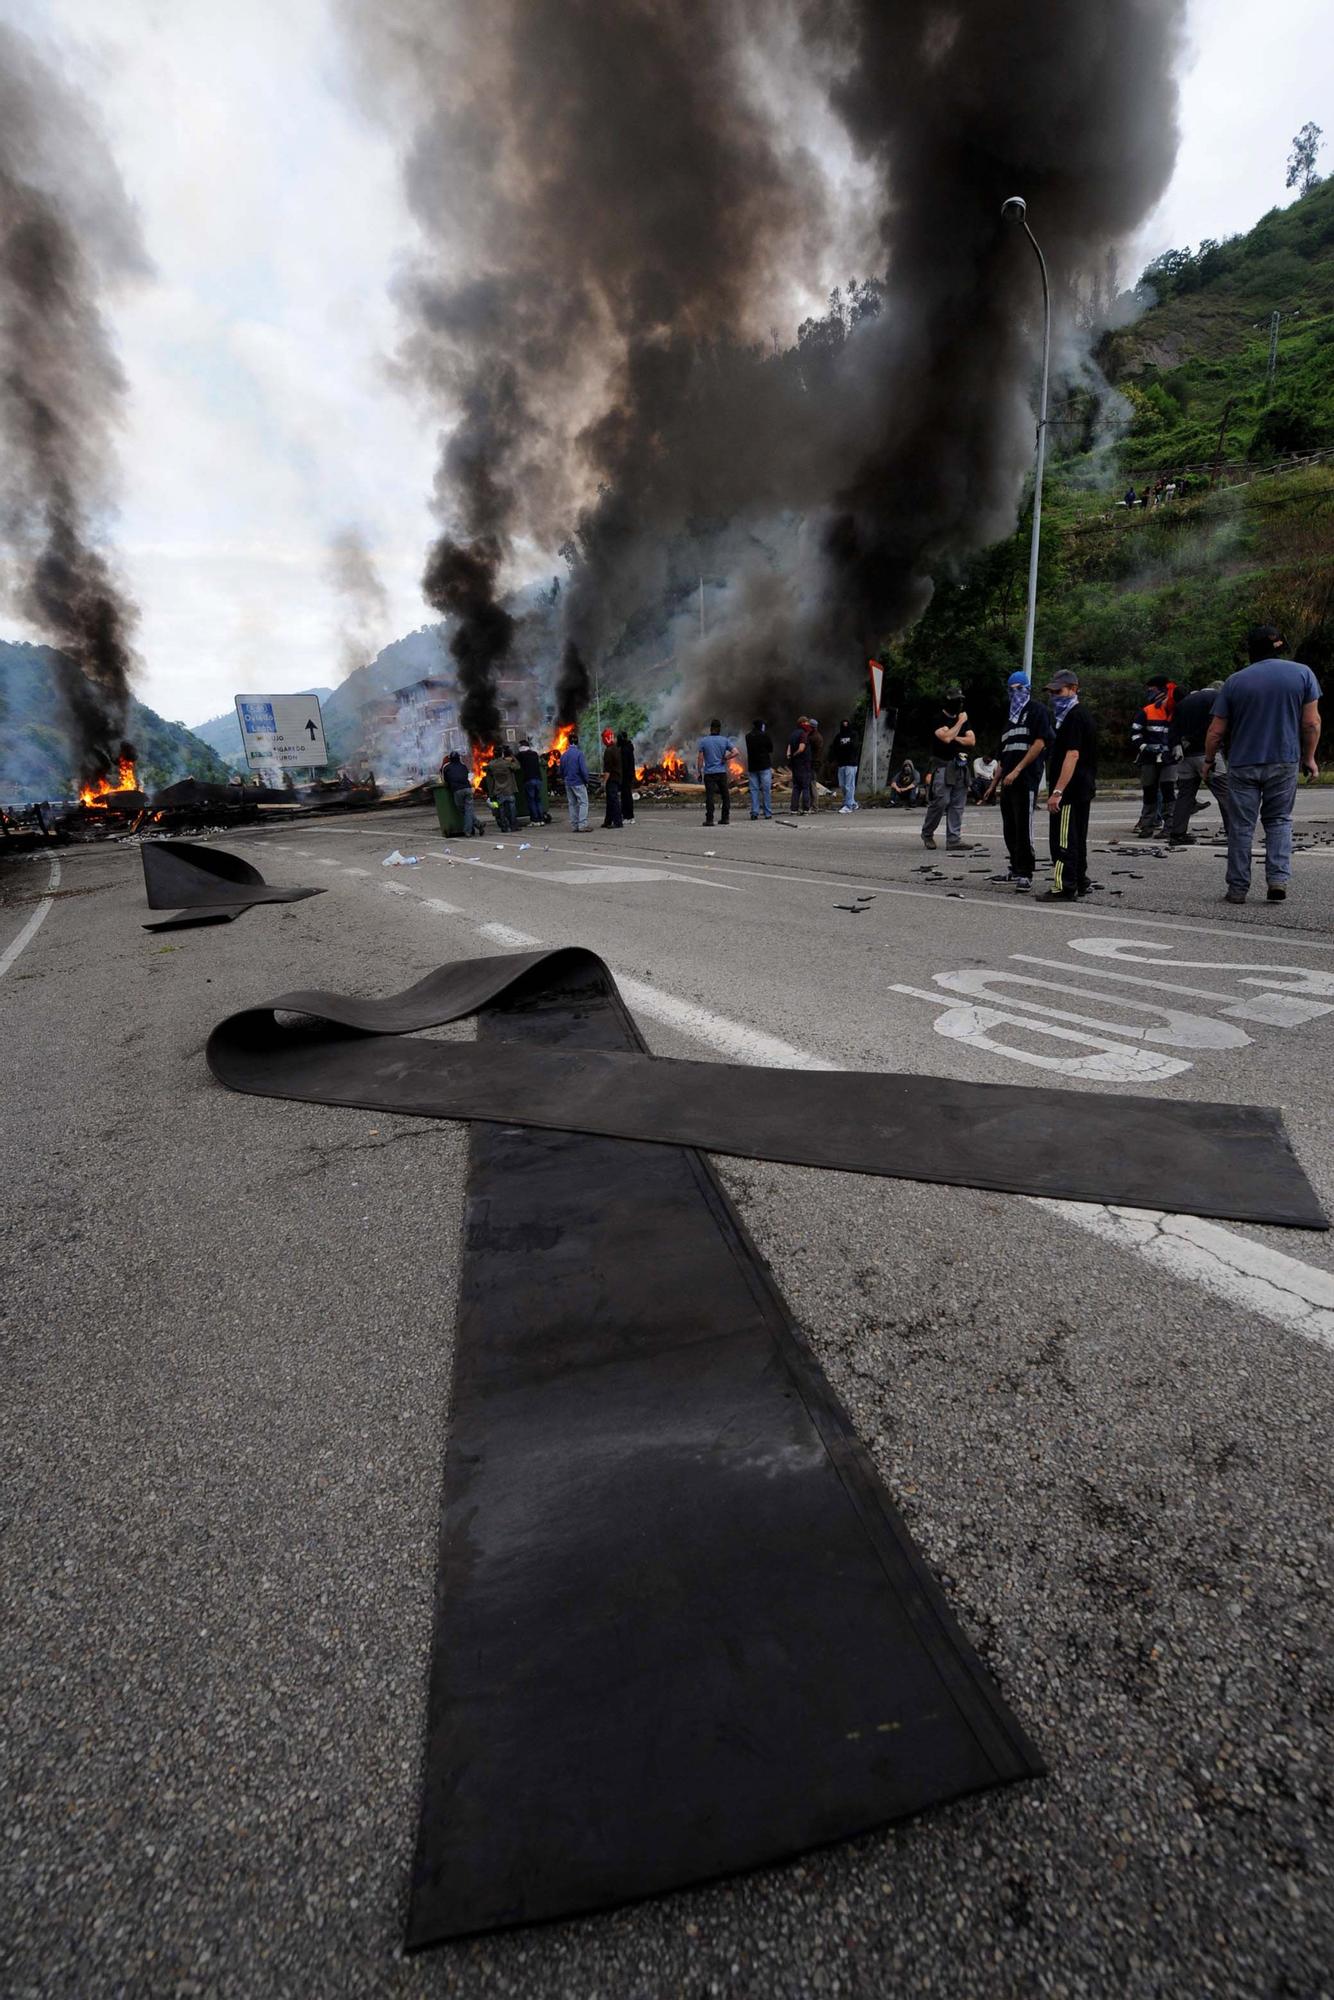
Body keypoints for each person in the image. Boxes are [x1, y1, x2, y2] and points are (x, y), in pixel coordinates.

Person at [1206, 623, 1322, 904]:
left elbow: (1216, 731)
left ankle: (1237, 888)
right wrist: (1309, 757)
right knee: (1279, 820)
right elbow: (1311, 723)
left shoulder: (1235, 681)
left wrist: (1208, 761)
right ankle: (1277, 880)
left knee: (1241, 826)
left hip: (1243, 763)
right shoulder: (1302, 673)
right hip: (1284, 759)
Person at [1041, 670, 1097, 901]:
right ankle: (1081, 880)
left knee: (1063, 840)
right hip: (1082, 787)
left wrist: (1057, 791)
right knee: (1077, 837)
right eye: (1052, 692)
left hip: (1070, 791)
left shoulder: (1073, 717)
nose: (1055, 696)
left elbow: (1072, 755)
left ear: (1074, 689)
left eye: (1059, 691)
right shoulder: (1081, 716)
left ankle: (1064, 887)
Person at [994, 671, 1050, 889]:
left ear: (1027, 688)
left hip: (1025, 778)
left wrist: (1017, 770)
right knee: (1010, 826)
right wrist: (995, 781)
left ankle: (1026, 872)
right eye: (1011, 689)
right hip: (1007, 781)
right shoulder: (1009, 718)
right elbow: (1003, 753)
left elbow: (1039, 743)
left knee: (1023, 826)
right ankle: (1015, 867)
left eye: (1020, 688)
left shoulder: (1037, 711)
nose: (1015, 693)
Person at [1166, 682, 1229, 847]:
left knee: (1185, 795)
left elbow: (1172, 728)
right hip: (1207, 754)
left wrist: (1177, 745)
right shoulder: (1217, 698)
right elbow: (1217, 728)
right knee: (1225, 794)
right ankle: (1233, 833)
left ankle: (1177, 833)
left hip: (1184, 756)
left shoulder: (1184, 702)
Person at [921, 686, 975, 850]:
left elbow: (971, 741)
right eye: (956, 700)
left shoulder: (964, 719)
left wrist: (954, 735)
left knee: (958, 804)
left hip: (961, 765)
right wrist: (959, 723)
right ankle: (928, 833)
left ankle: (953, 839)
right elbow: (945, 738)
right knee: (941, 801)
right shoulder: (939, 718)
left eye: (961, 700)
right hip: (942, 766)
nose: (959, 704)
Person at [1130, 677, 1177, 835]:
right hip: (1149, 758)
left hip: (1168, 759)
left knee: (1168, 789)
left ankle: (1169, 826)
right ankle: (1148, 825)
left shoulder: (1176, 711)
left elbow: (1180, 734)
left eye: (1152, 689)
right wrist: (1145, 747)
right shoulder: (1147, 711)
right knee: (1149, 790)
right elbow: (1135, 734)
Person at [697, 718, 735, 826]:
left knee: (710, 796)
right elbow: (736, 752)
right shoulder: (724, 740)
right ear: (719, 729)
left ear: (710, 729)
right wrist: (726, 758)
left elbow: (700, 759)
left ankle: (709, 820)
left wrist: (699, 772)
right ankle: (725, 818)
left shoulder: (704, 741)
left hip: (709, 773)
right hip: (721, 772)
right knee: (725, 795)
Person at [441, 749, 479, 838]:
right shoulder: (463, 766)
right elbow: (467, 776)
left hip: (457, 791)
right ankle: (479, 825)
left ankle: (468, 831)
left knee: (464, 811)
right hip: (468, 789)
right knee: (468, 811)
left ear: (450, 759)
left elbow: (444, 780)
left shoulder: (446, 767)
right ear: (459, 758)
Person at [559, 731, 591, 832]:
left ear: (568, 742)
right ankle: (582, 825)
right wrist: (586, 780)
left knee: (572, 804)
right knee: (583, 803)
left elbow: (561, 770)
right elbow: (583, 770)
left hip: (568, 783)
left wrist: (565, 778)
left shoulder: (564, 755)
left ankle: (574, 825)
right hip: (578, 782)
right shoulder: (579, 754)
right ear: (577, 742)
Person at [485, 744, 521, 833]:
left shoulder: (491, 765)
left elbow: (489, 777)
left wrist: (490, 793)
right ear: (502, 754)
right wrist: (512, 756)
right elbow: (517, 766)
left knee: (501, 810)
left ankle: (505, 827)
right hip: (509, 790)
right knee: (512, 809)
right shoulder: (507, 763)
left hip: (499, 791)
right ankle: (514, 826)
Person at [745, 718, 774, 819]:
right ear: (761, 726)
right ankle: (767, 813)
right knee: (766, 790)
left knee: (754, 790)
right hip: (764, 766)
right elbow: (771, 749)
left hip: (752, 766)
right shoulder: (764, 736)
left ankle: (754, 812)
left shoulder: (748, 736)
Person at [515, 738, 549, 826]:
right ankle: (541, 819)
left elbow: (514, 763)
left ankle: (535, 820)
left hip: (529, 780)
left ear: (521, 747)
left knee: (531, 800)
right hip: (538, 779)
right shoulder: (534, 754)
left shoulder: (520, 755)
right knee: (538, 800)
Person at [831, 717, 860, 812]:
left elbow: (854, 746)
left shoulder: (854, 734)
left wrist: (843, 747)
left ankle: (848, 806)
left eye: (846, 724)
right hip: (841, 764)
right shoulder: (838, 736)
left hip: (851, 764)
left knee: (849, 785)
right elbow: (834, 748)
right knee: (842, 785)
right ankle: (852, 802)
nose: (845, 726)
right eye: (843, 725)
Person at [787, 718, 813, 813]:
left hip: (795, 765)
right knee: (805, 786)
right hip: (803, 763)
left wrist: (791, 756)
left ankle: (794, 809)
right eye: (806, 722)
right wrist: (796, 754)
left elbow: (789, 749)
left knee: (796, 787)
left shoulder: (793, 734)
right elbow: (801, 748)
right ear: (802, 723)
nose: (808, 724)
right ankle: (806, 809)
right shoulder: (803, 734)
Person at [601, 727, 624, 828]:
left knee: (613, 800)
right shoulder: (616, 748)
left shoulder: (608, 751)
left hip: (612, 779)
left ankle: (617, 822)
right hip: (617, 777)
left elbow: (608, 770)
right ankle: (608, 821)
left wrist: (603, 782)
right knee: (610, 801)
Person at [617, 730, 636, 821]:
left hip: (625, 776)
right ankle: (629, 816)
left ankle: (627, 816)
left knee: (626, 797)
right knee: (627, 796)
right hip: (629, 776)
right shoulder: (629, 747)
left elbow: (624, 765)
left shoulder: (625, 749)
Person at [806, 718, 825, 809]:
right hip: (815, 763)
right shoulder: (816, 736)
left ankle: (814, 806)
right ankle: (812, 805)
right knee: (811, 784)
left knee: (812, 784)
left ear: (812, 727)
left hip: (813, 763)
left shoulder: (814, 737)